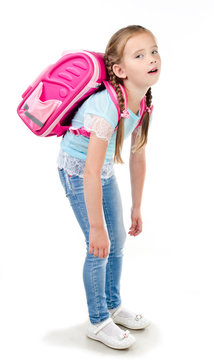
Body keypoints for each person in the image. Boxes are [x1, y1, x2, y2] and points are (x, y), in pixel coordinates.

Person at [57, 24, 161, 350]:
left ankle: (113, 304)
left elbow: (138, 156)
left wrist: (137, 206)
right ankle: (99, 320)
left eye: (154, 51)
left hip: (99, 171)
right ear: (119, 70)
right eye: (139, 55)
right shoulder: (106, 107)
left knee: (117, 243)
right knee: (99, 245)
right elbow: (88, 171)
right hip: (77, 171)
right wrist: (97, 227)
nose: (151, 58)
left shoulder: (143, 102)